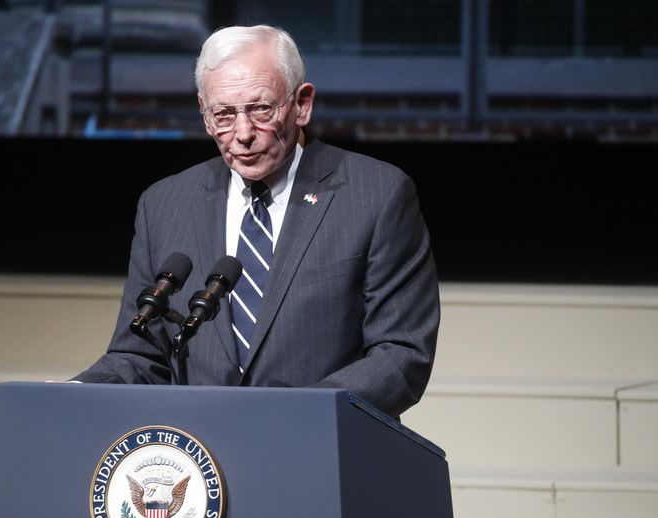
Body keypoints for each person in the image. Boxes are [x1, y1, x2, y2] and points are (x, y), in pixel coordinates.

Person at [71, 24, 439, 418]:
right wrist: (71, 394)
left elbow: (401, 354)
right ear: (204, 113)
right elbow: (141, 354)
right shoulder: (164, 204)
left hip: (322, 451)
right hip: (200, 456)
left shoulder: (375, 194)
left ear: (302, 104)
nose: (243, 133)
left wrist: (295, 416)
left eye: (261, 109)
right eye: (224, 115)